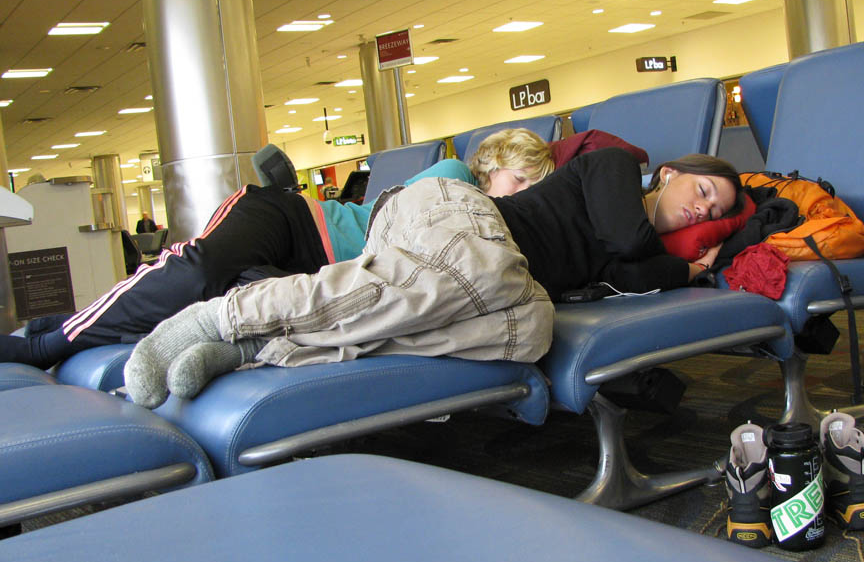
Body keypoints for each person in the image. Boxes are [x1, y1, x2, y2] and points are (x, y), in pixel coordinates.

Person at [124, 148, 741, 409]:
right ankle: (218, 315)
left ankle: (257, 350)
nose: (703, 210)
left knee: (531, 327)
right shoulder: (613, 167)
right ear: (669, 171)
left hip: (496, 277)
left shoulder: (622, 250)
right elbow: (633, 245)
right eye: (704, 191)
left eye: (714, 215)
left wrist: (679, 261)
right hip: (448, 210)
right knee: (487, 274)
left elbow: (633, 267)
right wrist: (686, 261)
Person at [0, 130, 554, 370]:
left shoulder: (494, 240)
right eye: (521, 180)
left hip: (303, 273)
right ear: (490, 166)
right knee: (199, 272)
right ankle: (50, 341)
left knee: (218, 304)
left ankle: (70, 329)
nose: (526, 195)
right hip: (293, 221)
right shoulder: (455, 179)